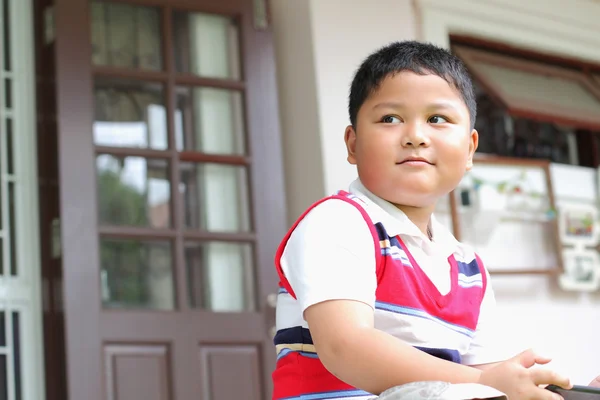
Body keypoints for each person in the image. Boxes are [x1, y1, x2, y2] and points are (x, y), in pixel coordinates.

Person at [270, 40, 585, 400]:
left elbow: (487, 380)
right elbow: (347, 346)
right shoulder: (337, 222)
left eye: (437, 119)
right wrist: (485, 383)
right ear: (353, 145)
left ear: (469, 149)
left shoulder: (468, 269)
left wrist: (557, 391)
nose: (415, 137)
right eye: (390, 119)